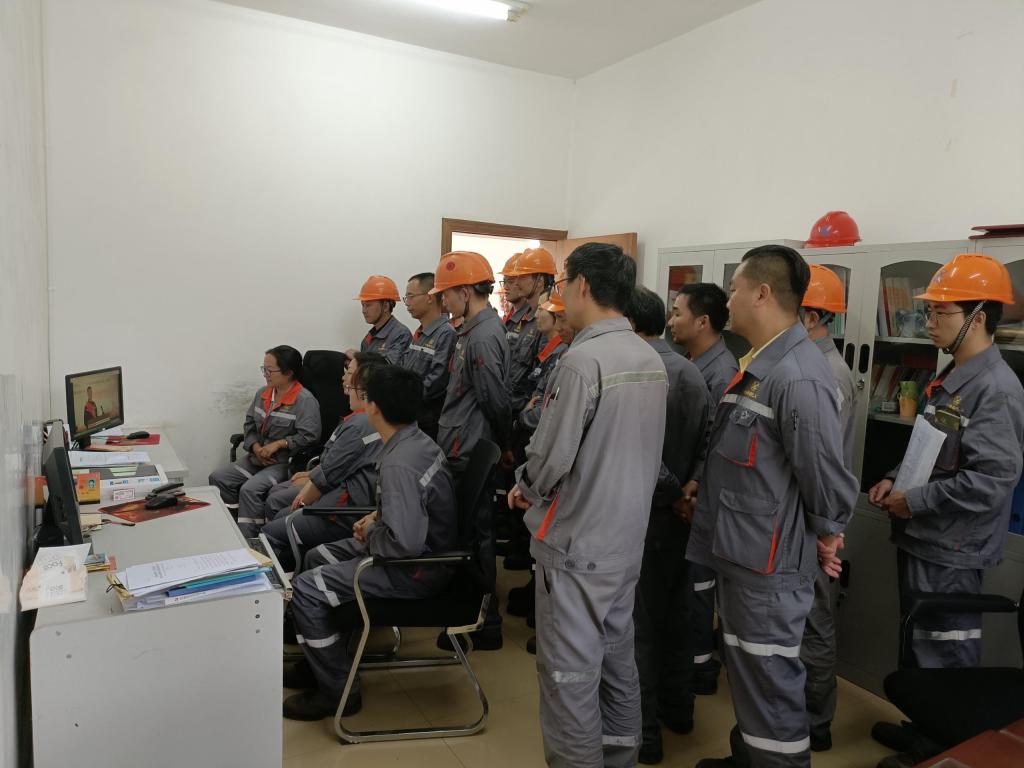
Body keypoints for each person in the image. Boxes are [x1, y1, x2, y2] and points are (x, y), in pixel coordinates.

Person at [689, 245, 858, 768]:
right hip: (744, 553)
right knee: (750, 676)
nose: (728, 301)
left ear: (762, 293)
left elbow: (823, 471)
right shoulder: (765, 362)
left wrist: (827, 532)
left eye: (734, 290)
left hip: (769, 566)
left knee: (770, 686)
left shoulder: (798, 375)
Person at [508, 242, 668, 768]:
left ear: (581, 285)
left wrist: (525, 486)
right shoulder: (649, 357)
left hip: (577, 545)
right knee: (618, 661)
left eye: (561, 285)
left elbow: (550, 458)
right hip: (626, 541)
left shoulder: (582, 360)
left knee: (569, 675)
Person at [868, 254, 1024, 670]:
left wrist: (914, 500)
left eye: (941, 312)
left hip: (952, 549)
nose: (929, 323)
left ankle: (942, 719)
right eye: (929, 312)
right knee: (918, 647)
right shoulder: (953, 377)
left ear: (977, 318)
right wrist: (894, 479)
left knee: (944, 655)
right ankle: (918, 714)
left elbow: (992, 480)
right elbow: (931, 447)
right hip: (926, 538)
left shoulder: (995, 390)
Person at [282, 365, 458, 720]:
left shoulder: (400, 463)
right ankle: (324, 661)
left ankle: (338, 691)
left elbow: (404, 545)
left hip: (415, 568)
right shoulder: (415, 441)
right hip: (418, 550)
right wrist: (376, 517)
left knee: (306, 589)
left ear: (373, 406)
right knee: (317, 557)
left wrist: (372, 532)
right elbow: (413, 507)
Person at [626, 286, 709, 765]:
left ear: (629, 324)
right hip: (682, 518)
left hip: (650, 516)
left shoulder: (639, 372)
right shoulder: (690, 371)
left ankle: (645, 733)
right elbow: (709, 441)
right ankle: (679, 710)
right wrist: (690, 490)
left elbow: (642, 454)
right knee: (678, 618)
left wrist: (674, 492)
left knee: (640, 629)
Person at [434, 250, 511, 649]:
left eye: (446, 294)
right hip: (461, 444)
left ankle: (485, 623)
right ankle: (472, 616)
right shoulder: (471, 330)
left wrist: (503, 444)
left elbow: (495, 400)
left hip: (469, 449)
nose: (443, 302)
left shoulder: (482, 336)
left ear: (465, 292)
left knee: (477, 537)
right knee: (467, 535)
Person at [667, 281, 738, 695]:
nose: (671, 321)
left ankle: (700, 669)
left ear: (703, 321)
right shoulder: (691, 361)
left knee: (698, 585)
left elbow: (715, 443)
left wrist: (693, 487)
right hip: (685, 492)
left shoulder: (721, 372)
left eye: (678, 313)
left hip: (700, 498)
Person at [798, 264, 856, 753]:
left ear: (812, 317)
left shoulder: (827, 374)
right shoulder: (810, 365)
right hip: (809, 516)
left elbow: (822, 464)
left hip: (817, 521)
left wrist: (826, 531)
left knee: (815, 621)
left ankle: (816, 720)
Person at [260, 352, 387, 570]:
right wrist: (311, 477)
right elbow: (334, 465)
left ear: (364, 386)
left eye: (349, 373)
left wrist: (302, 501)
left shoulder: (359, 425)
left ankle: (282, 577)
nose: (344, 379)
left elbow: (329, 474)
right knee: (281, 505)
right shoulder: (360, 419)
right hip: (339, 497)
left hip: (340, 511)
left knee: (273, 527)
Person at [210, 346, 321, 537]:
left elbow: (310, 436)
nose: (265, 374)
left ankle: (253, 540)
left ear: (288, 372)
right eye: (264, 369)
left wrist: (279, 444)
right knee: (218, 478)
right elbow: (249, 424)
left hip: (283, 463)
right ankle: (231, 528)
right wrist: (255, 447)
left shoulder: (305, 400)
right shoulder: (263, 394)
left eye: (270, 370)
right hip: (257, 457)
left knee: (250, 490)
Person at [400, 272, 456, 441]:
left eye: (411, 296)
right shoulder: (420, 333)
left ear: (430, 298)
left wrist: (404, 397)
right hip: (411, 416)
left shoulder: (446, 334)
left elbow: (437, 381)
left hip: (427, 422)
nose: (407, 303)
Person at [505, 248, 557, 413]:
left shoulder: (548, 321)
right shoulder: (525, 317)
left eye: (522, 277)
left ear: (539, 281)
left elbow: (542, 376)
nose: (516, 283)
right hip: (511, 406)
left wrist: (527, 414)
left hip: (526, 410)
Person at [347, 275, 412, 364]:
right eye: (363, 305)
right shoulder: (368, 338)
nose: (364, 310)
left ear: (385, 306)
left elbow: (391, 368)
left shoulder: (401, 335)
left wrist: (360, 357)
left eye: (368, 305)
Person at [500, 252, 527, 329]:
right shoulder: (508, 317)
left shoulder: (532, 319)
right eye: (504, 281)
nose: (505, 287)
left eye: (510, 282)